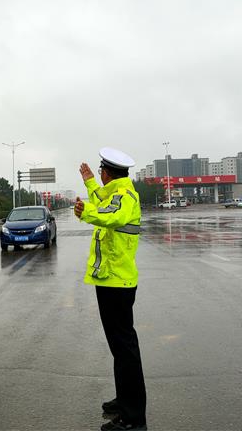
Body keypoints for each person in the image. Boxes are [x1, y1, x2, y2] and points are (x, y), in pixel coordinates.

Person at [74, 147, 147, 431]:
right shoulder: (116, 193)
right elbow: (102, 203)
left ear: (108, 172)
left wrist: (86, 211)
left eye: (99, 172)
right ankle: (124, 400)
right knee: (119, 348)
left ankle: (133, 419)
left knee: (126, 350)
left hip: (118, 282)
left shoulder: (125, 197)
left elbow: (109, 215)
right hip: (110, 280)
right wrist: (90, 183)